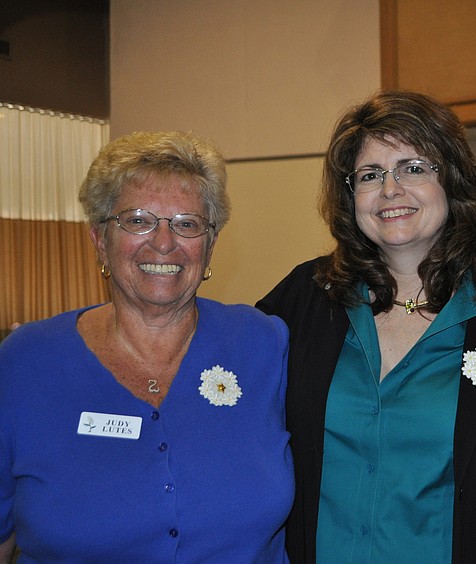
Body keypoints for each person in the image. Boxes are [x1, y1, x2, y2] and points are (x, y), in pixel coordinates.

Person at [257, 90, 476, 563]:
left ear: (453, 181)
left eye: (414, 168)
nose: (391, 190)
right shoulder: (307, 297)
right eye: (371, 175)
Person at [0, 131, 294, 562]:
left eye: (187, 224)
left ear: (210, 245)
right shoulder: (26, 361)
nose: (164, 241)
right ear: (100, 237)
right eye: (138, 220)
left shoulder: (263, 345)